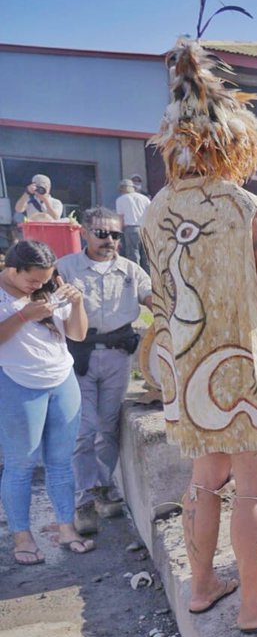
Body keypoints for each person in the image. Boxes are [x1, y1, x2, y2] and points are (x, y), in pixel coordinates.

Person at [142, 39, 257, 632]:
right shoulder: (243, 207)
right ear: (233, 143)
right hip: (239, 368)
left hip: (187, 365)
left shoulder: (155, 209)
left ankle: (201, 586)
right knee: (255, 481)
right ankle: (255, 602)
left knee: (203, 477)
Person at [56, 207, 152, 534]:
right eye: (101, 233)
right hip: (78, 356)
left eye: (115, 234)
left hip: (118, 357)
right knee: (83, 430)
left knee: (108, 428)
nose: (109, 240)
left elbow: (154, 299)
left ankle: (103, 486)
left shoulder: (131, 270)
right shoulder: (66, 268)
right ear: (84, 232)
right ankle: (83, 500)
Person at [1, 239, 91, 564]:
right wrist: (24, 316)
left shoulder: (49, 287)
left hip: (62, 380)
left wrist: (77, 303)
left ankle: (67, 528)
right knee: (20, 465)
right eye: (33, 280)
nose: (39, 286)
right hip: (16, 383)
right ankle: (22, 537)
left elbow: (78, 334)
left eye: (45, 279)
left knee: (61, 461)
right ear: (13, 269)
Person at [115, 178, 152, 272]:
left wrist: (118, 233)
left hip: (131, 229)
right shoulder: (144, 198)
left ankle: (135, 275)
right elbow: (151, 214)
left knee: (133, 254)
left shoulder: (121, 199)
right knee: (146, 255)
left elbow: (121, 218)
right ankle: (148, 277)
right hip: (145, 229)